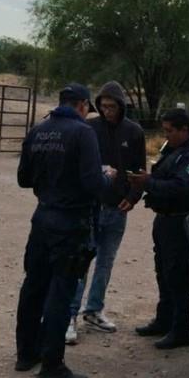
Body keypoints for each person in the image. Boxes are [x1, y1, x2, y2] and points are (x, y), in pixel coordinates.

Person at [15, 83, 116, 378]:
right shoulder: (83, 132)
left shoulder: (39, 130)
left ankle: (26, 353)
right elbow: (91, 183)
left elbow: (23, 179)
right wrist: (106, 178)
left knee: (33, 286)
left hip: (42, 218)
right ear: (83, 105)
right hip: (71, 223)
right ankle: (52, 367)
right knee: (61, 291)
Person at [64, 81, 146, 344]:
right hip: (91, 206)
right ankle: (70, 315)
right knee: (82, 260)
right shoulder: (88, 128)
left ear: (121, 106)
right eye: (103, 106)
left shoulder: (134, 132)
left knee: (106, 261)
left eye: (111, 106)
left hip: (117, 206)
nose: (107, 110)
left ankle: (94, 309)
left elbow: (139, 169)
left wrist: (133, 197)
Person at [128, 108, 189, 350]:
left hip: (180, 220)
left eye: (170, 131)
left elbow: (181, 187)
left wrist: (148, 182)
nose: (166, 135)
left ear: (184, 130)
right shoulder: (174, 150)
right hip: (164, 218)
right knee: (163, 272)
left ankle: (182, 328)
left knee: (176, 275)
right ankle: (164, 320)